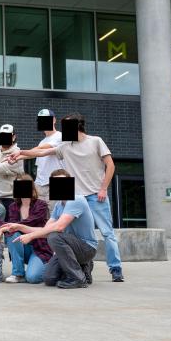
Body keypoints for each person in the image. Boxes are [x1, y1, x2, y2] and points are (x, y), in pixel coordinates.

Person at [8, 113, 125, 282]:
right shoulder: (65, 146)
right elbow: (42, 153)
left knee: (107, 233)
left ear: (79, 125)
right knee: (70, 234)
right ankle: (84, 266)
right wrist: (20, 154)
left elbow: (110, 165)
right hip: (74, 199)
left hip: (95, 195)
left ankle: (116, 269)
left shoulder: (95, 141)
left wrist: (103, 188)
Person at [15, 169, 97, 289]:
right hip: (70, 247)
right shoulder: (59, 205)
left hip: (87, 248)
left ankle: (78, 278)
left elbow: (59, 227)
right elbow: (46, 229)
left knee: (54, 236)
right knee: (49, 278)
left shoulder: (76, 199)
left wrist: (31, 236)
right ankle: (83, 267)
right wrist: (20, 227)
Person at [0, 174, 50, 284]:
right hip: (23, 247)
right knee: (13, 234)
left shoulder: (41, 205)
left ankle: (50, 267)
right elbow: (13, 226)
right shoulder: (13, 206)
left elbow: (27, 223)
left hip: (39, 249)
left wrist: (1, 227)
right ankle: (18, 274)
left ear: (31, 188)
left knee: (33, 278)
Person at [32, 109, 65, 215]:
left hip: (58, 183)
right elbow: (40, 167)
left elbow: (42, 148)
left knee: (57, 216)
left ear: (54, 120)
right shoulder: (42, 141)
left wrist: (20, 155)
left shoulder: (61, 136)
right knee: (41, 217)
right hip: (40, 185)